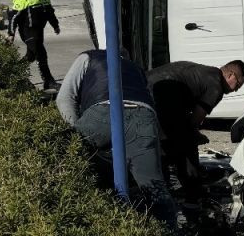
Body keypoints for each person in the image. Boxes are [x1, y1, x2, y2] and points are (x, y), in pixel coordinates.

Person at [54, 49, 178, 225]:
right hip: (143, 116)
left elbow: (65, 98)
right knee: (153, 187)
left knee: (66, 159)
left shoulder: (89, 57)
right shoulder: (135, 69)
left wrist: (75, 134)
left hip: (104, 110)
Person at [147, 59, 244, 197]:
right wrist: (196, 135)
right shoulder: (216, 85)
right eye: (238, 85)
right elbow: (194, 122)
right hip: (161, 98)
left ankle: (160, 186)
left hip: (146, 89)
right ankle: (192, 195)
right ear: (231, 75)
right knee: (186, 145)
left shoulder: (207, 73)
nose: (235, 90)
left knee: (164, 144)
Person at [8, 0, 60, 89]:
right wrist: (11, 34)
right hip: (27, 32)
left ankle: (13, 72)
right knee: (41, 53)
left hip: (39, 31)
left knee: (31, 56)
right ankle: (48, 81)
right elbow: (13, 18)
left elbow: (50, 13)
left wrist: (55, 25)